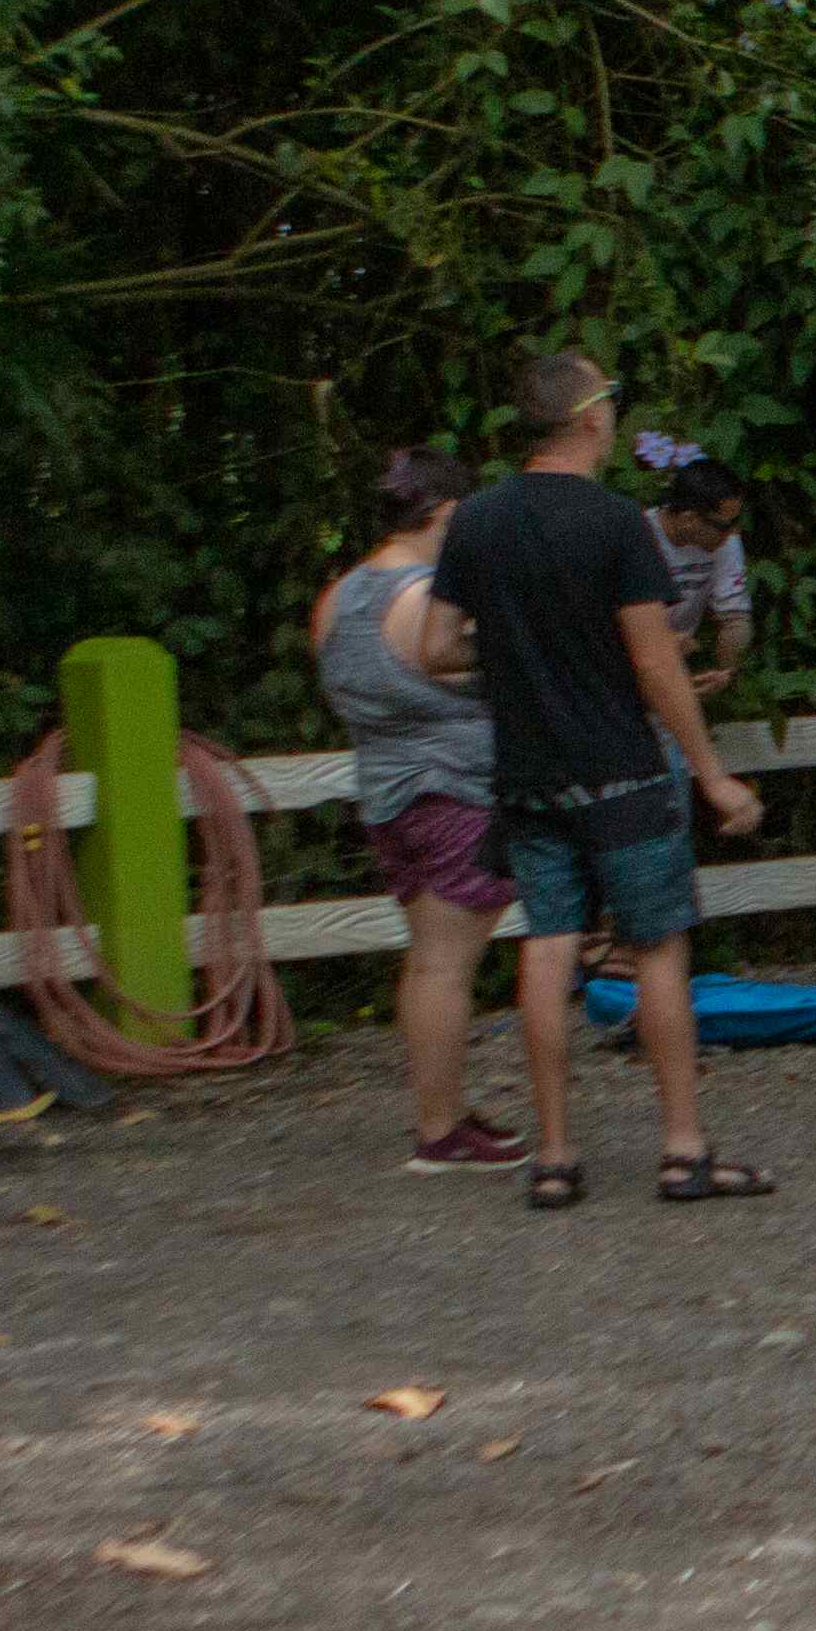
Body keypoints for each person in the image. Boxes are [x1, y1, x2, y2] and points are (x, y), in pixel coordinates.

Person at [401, 350, 775, 1207]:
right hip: (622, 772)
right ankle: (682, 1149)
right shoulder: (616, 525)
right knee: (657, 948)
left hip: (529, 774)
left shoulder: (479, 522)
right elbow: (655, 662)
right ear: (593, 418)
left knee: (547, 944)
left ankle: (557, 1158)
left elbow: (433, 648)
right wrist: (714, 776)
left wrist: (505, 654)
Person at [309, 448, 522, 1169]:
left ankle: (449, 1108)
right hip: (456, 790)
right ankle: (438, 1130)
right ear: (445, 513)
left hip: (385, 793)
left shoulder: (337, 598)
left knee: (431, 958)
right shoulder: (430, 597)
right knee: (444, 964)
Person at [650, 454, 755, 708]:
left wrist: (726, 672)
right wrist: (662, 646)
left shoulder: (725, 542)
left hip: (679, 666)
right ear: (689, 519)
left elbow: (735, 619)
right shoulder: (640, 536)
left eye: (736, 522)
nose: (732, 533)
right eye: (724, 525)